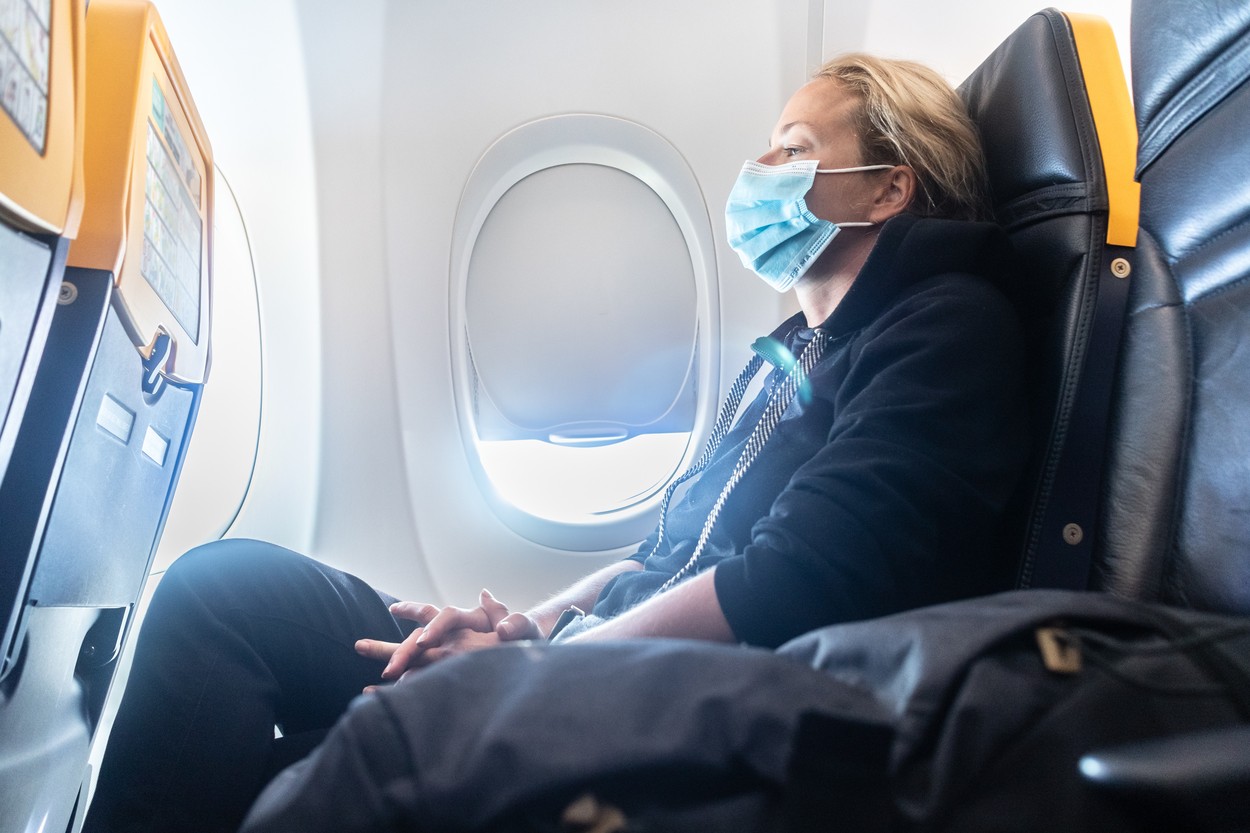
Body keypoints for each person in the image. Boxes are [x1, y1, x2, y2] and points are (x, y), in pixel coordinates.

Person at [84, 53, 1028, 833]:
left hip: (701, 701)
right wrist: (529, 627)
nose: (759, 171)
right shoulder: (791, 352)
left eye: (793, 149)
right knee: (226, 592)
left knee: (283, 768)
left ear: (888, 188)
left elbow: (795, 579)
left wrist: (539, 671)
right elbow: (663, 553)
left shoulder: (947, 328)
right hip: (601, 657)